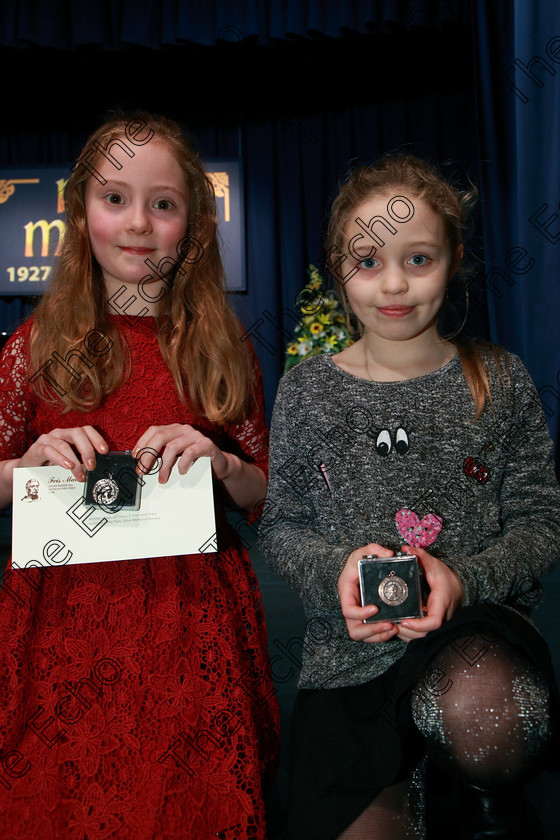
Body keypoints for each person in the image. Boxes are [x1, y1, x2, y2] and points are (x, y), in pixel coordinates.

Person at [259, 154, 560, 840]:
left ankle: (486, 796)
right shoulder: (308, 390)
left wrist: (465, 578)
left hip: (476, 636)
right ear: (339, 268)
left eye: (417, 258)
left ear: (454, 260)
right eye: (367, 262)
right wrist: (334, 570)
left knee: (487, 718)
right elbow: (283, 527)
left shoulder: (500, 379)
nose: (393, 283)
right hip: (350, 663)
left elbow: (543, 522)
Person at [0, 113, 279, 839]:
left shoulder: (220, 345)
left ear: (192, 223)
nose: (137, 225)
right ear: (78, 211)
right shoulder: (34, 347)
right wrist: (23, 468)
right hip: (63, 619)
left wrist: (221, 464)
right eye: (115, 198)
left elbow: (269, 489)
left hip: (193, 624)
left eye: (163, 203)